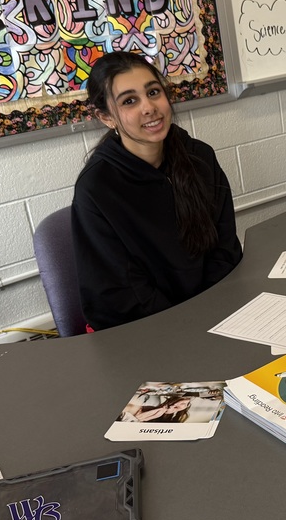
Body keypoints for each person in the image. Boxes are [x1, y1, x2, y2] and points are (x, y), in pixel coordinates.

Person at [72, 52, 242, 330]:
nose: (149, 107)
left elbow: (224, 250)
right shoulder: (96, 188)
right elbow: (122, 294)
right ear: (105, 117)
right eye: (130, 101)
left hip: (214, 312)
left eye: (153, 92)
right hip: (147, 329)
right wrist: (187, 326)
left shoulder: (199, 157)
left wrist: (212, 311)